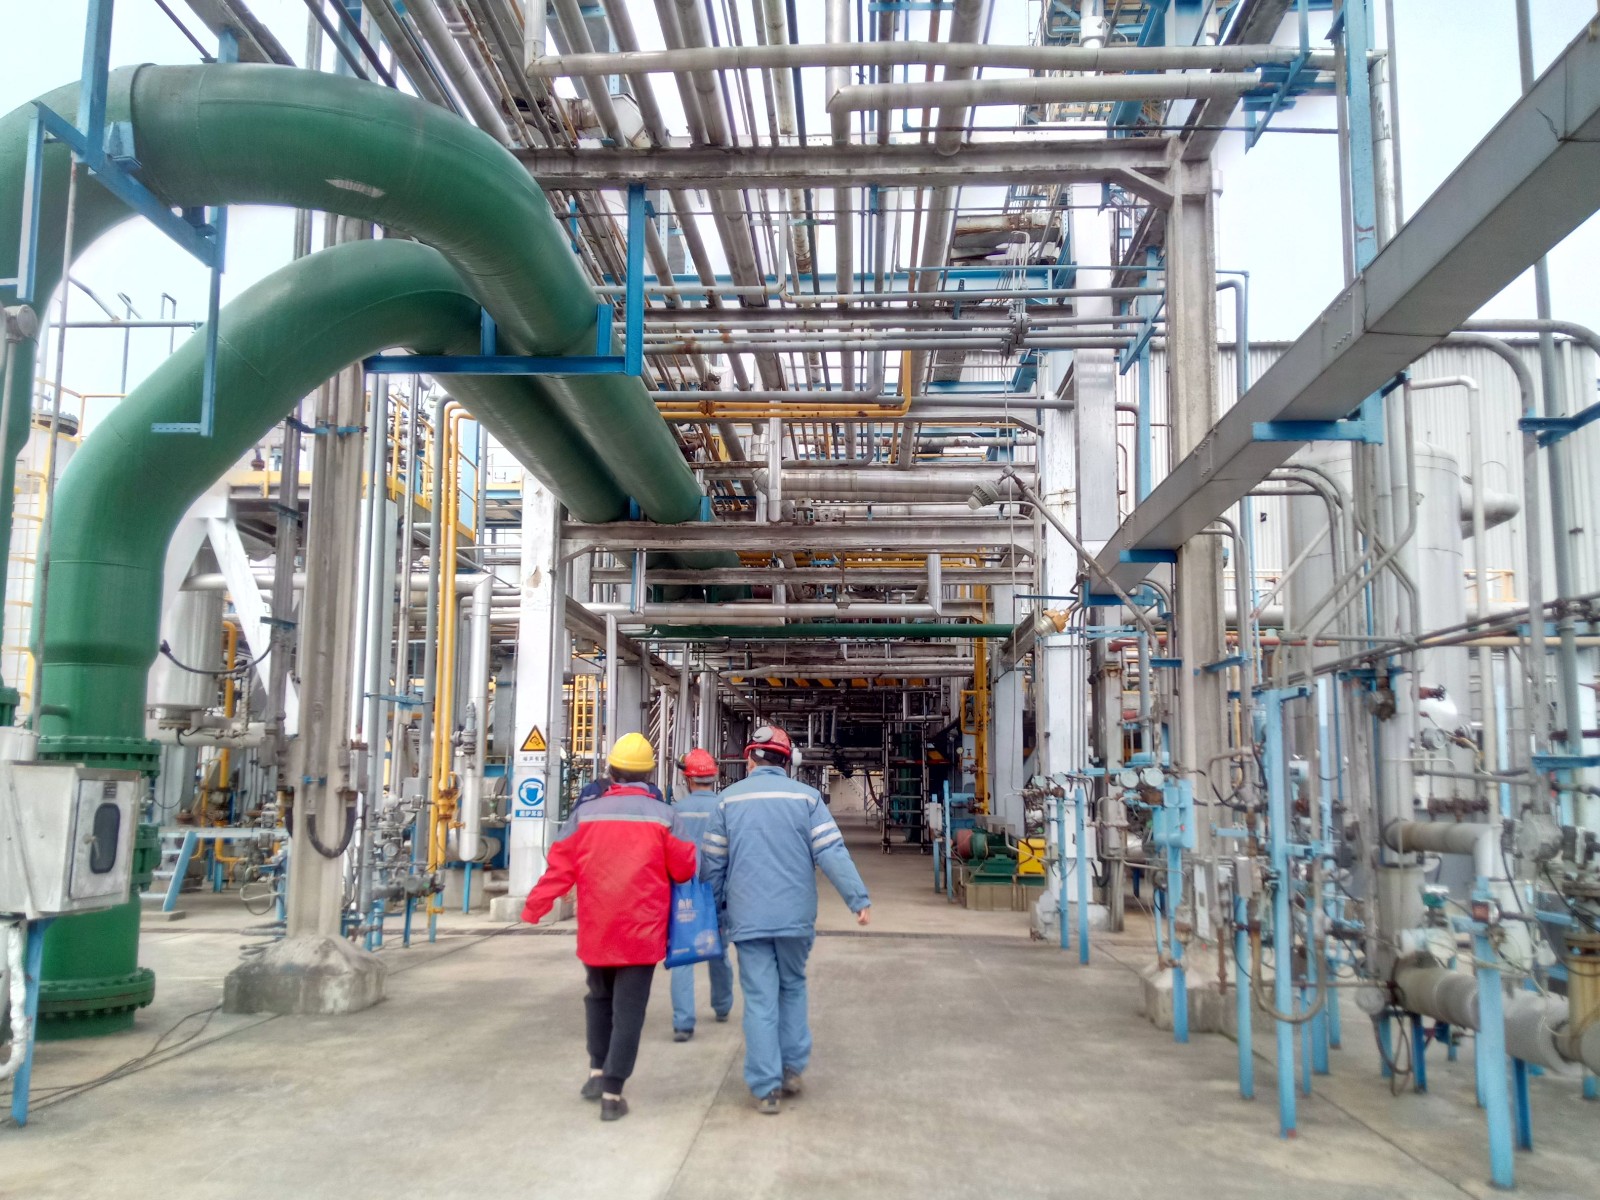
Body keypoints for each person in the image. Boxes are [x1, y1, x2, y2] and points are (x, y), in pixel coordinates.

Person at [521, 732, 696, 1123]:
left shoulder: (585, 814)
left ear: (611, 771)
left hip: (597, 928)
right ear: (649, 774)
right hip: (642, 930)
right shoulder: (665, 816)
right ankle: (612, 1094)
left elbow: (559, 866)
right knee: (629, 1011)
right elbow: (684, 868)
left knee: (598, 999)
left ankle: (596, 1074)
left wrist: (535, 907)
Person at [701, 725, 871, 1115]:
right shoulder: (807, 799)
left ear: (750, 759)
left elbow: (713, 865)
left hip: (747, 917)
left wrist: (713, 912)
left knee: (760, 999)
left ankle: (766, 1087)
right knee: (792, 986)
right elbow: (832, 852)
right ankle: (791, 1068)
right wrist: (857, 899)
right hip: (796, 917)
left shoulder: (726, 802)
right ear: (787, 762)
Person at [668, 748, 734, 1041]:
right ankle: (722, 1006)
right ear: (714, 777)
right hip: (718, 891)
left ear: (688, 779)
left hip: (684, 891)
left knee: (683, 954)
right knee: (718, 950)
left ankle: (683, 1023)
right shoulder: (725, 808)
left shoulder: (676, 812)